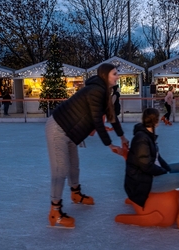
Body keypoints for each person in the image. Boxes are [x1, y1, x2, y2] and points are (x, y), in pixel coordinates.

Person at [45, 63, 129, 228]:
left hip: (70, 131)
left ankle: (76, 194)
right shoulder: (95, 91)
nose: (117, 76)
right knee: (60, 170)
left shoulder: (104, 91)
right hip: (58, 129)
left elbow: (112, 116)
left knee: (74, 166)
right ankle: (55, 211)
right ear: (105, 75)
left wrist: (123, 137)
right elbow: (97, 120)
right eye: (114, 73)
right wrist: (110, 144)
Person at [125, 108, 179, 231]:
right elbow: (146, 166)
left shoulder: (148, 134)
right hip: (145, 181)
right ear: (155, 121)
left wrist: (168, 169)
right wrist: (165, 172)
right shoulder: (141, 139)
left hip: (154, 173)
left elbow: (158, 157)